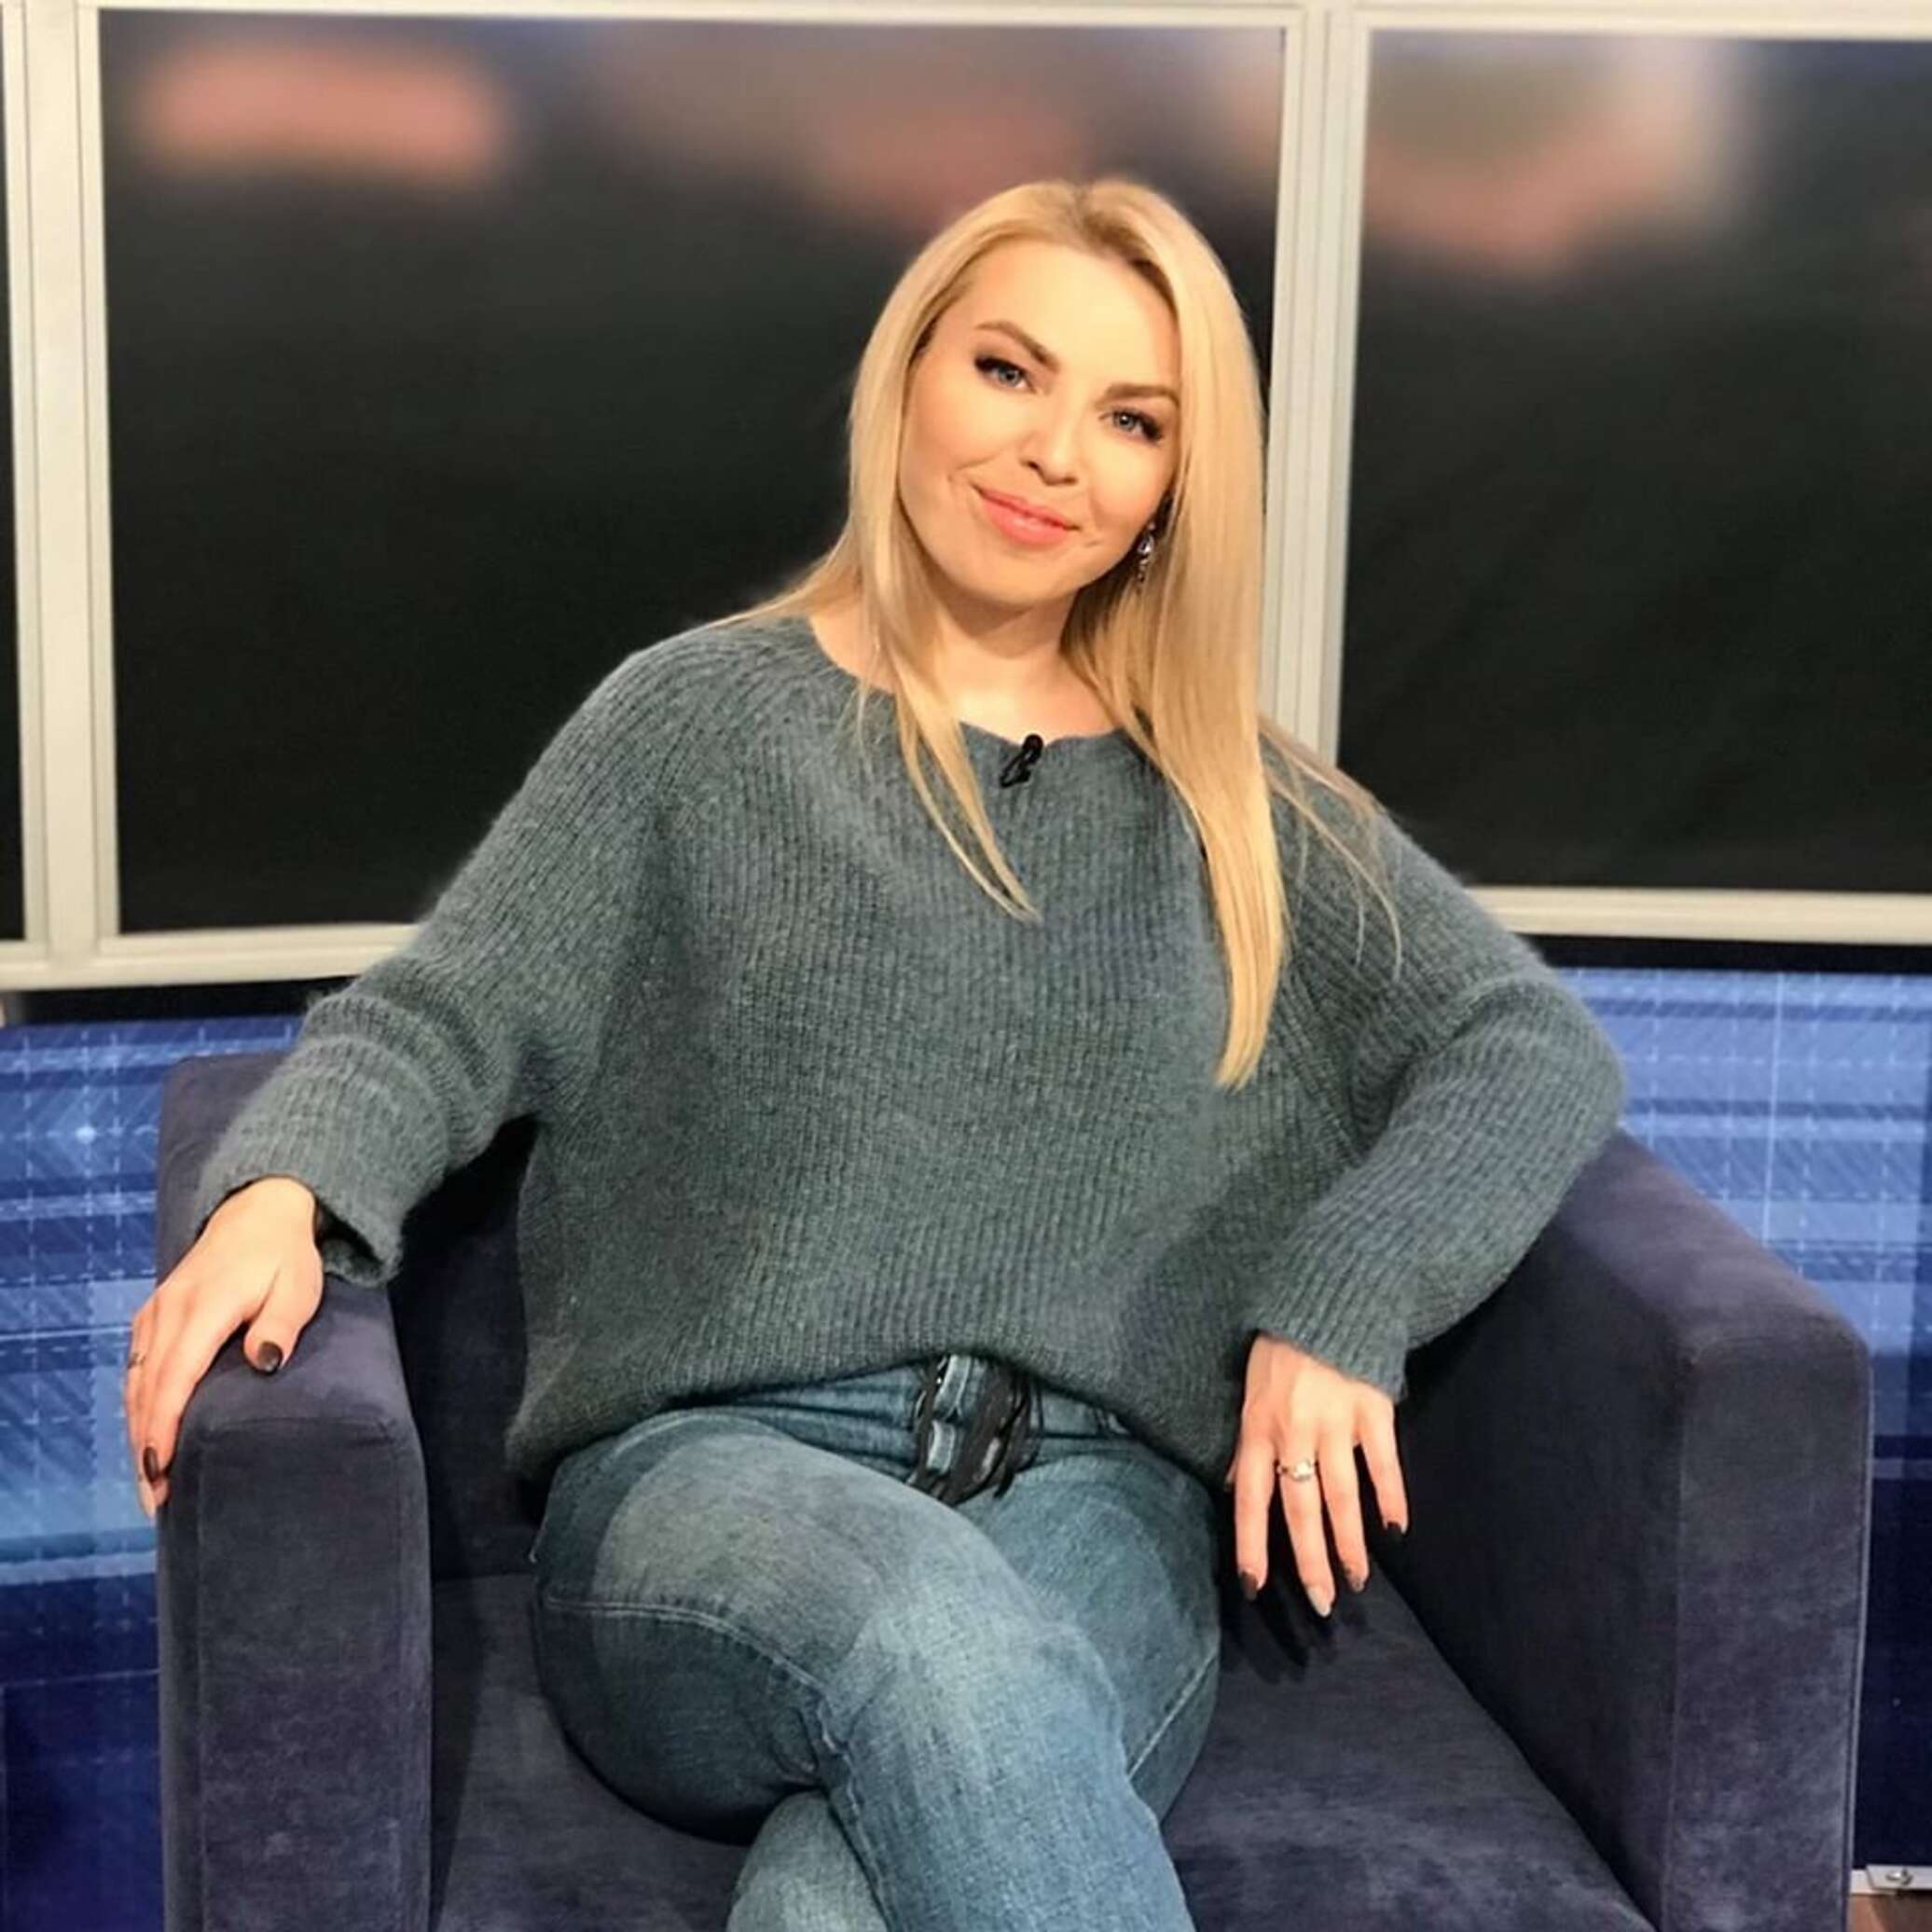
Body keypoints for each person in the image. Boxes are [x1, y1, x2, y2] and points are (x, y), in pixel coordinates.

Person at [124, 176, 1626, 1930]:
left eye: (1132, 419)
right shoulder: (692, 723)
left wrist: (1345, 1293)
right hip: (706, 1495)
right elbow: (440, 1011)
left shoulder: (1241, 808)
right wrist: (284, 1188)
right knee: (940, 1639)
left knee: (831, 1902)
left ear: (1174, 487)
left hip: (1104, 1507)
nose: (1055, 452)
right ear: (910, 375)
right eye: (1009, 370)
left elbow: (1526, 1047)